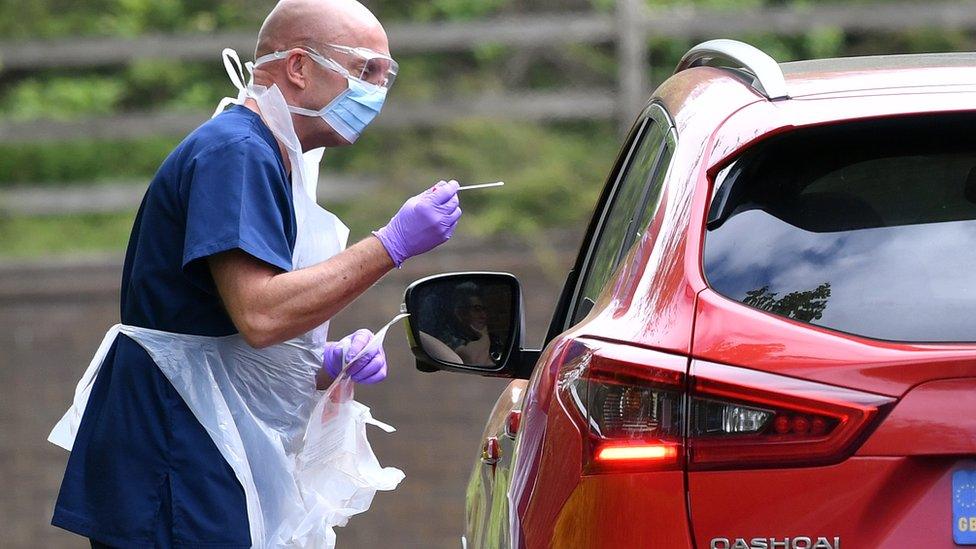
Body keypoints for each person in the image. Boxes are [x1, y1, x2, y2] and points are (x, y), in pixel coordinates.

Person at [48, 0, 461, 547]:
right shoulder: (236, 151)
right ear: (298, 66)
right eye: (367, 71)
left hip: (198, 431)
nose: (379, 94)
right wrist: (392, 244)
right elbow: (261, 314)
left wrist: (323, 363)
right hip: (177, 438)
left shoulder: (272, 155)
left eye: (388, 76)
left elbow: (215, 322)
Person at [445, 283, 502, 366]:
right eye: (477, 309)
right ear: (461, 313)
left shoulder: (494, 339)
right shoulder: (450, 344)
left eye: (484, 310)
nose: (484, 315)